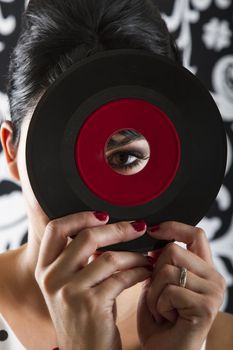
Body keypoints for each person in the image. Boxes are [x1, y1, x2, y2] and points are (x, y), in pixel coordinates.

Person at [0, 0, 232, 349]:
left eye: (125, 157)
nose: (98, 197)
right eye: (69, 160)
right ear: (12, 153)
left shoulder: (217, 339)